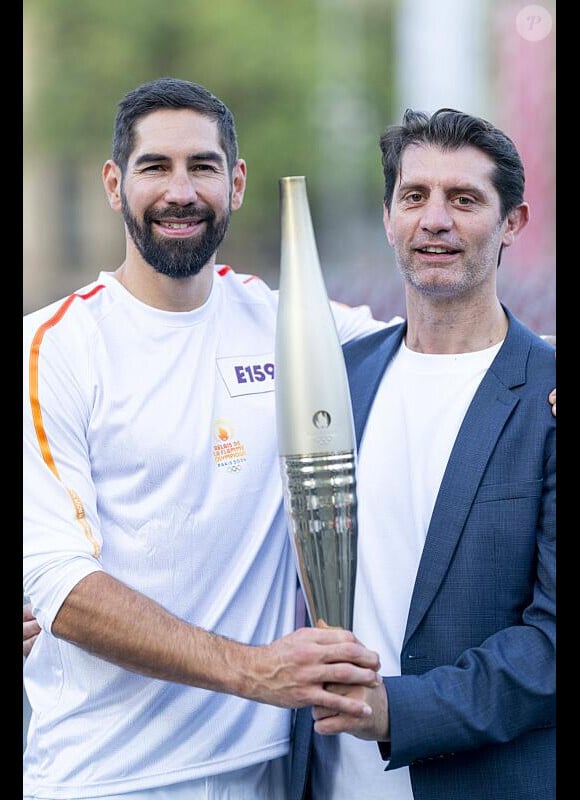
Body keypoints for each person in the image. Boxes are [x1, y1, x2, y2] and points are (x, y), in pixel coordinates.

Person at [22, 76, 387, 800]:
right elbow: (61, 587)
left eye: (203, 167)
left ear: (238, 182)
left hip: (268, 772)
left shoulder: (292, 327)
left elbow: (452, 359)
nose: (180, 191)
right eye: (155, 166)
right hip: (108, 778)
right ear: (113, 183)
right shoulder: (55, 346)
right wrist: (255, 671)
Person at [289, 108, 556, 800]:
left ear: (513, 224)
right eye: (415, 197)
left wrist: (395, 712)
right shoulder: (337, 380)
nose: (434, 220)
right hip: (325, 783)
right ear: (388, 218)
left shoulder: (547, 398)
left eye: (464, 200)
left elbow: (552, 642)